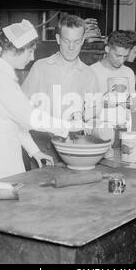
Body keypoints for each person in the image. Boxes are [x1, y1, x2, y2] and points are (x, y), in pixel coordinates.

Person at [0, 20, 79, 185]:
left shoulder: (5, 77)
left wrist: (35, 152)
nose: (32, 57)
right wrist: (67, 126)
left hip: (6, 152)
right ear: (15, 49)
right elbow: (29, 118)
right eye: (30, 51)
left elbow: (15, 124)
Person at [21, 14, 100, 167]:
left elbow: (92, 114)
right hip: (43, 143)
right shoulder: (40, 67)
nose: (71, 47)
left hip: (73, 144)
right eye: (66, 41)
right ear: (58, 39)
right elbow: (23, 108)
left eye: (77, 41)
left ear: (82, 41)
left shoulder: (89, 74)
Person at [90, 31, 136, 131]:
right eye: (118, 55)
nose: (121, 61)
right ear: (107, 49)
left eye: (125, 56)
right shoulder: (91, 72)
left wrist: (134, 133)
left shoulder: (128, 72)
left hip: (123, 130)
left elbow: (134, 108)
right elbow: (85, 111)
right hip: (99, 131)